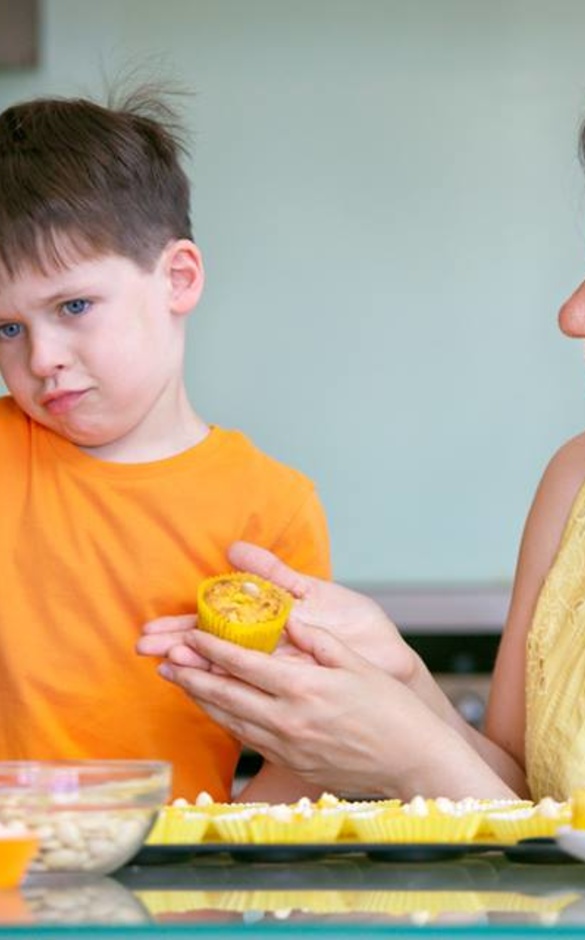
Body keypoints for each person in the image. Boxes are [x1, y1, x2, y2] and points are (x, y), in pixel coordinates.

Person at [138, 78, 585, 802]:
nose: (574, 313)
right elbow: (521, 797)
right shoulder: (582, 480)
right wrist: (401, 680)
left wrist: (414, 761)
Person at [0, 86, 331, 803]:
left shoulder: (269, 507)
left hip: (174, 894)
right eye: (8, 329)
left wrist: (218, 864)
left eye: (73, 307)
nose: (41, 357)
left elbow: (306, 745)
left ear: (177, 279)